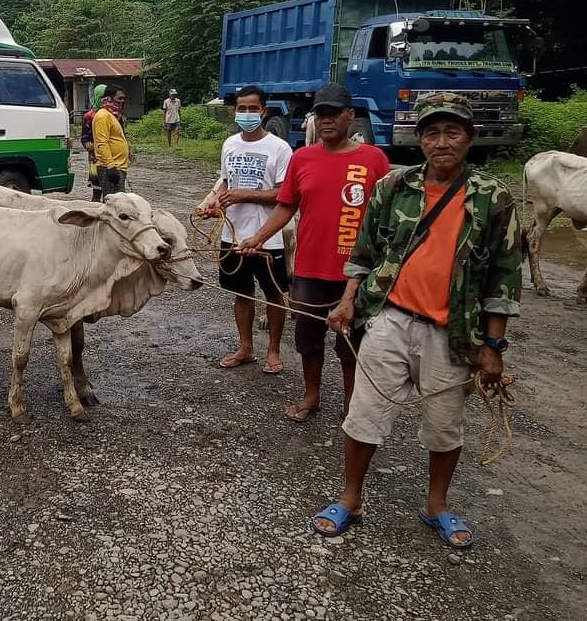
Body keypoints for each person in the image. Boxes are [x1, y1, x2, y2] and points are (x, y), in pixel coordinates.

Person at [314, 92, 521, 548]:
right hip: (389, 320)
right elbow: (364, 254)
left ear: (469, 138)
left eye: (452, 133)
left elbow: (504, 278)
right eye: (432, 133)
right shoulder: (392, 187)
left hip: (454, 333)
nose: (441, 142)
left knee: (444, 426)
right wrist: (348, 300)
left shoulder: (494, 198)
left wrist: (493, 347)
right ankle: (350, 499)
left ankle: (437, 506)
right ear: (420, 140)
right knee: (363, 415)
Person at [239, 83, 390, 421]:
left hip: (356, 272)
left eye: (334, 113)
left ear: (349, 116)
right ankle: (311, 395)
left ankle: (352, 404)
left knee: (352, 345)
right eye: (320, 113)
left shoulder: (373, 160)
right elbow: (285, 205)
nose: (326, 120)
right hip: (308, 268)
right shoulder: (303, 158)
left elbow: (387, 215)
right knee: (308, 340)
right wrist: (258, 237)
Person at [197, 85, 292, 374]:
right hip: (233, 235)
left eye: (253, 108)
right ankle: (246, 347)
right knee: (242, 293)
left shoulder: (279, 148)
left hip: (268, 237)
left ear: (264, 111)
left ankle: (273, 351)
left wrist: (242, 195)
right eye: (242, 108)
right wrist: (216, 204)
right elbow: (225, 183)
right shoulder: (230, 144)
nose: (247, 113)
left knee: (273, 295)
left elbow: (283, 195)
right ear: (235, 111)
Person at [93, 85, 129, 197]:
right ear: (108, 98)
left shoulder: (112, 116)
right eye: (119, 98)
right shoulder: (103, 116)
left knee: (119, 203)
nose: (122, 101)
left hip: (118, 166)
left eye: (123, 99)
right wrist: (110, 166)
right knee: (114, 205)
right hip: (110, 167)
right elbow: (101, 142)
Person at [81, 83, 108, 202]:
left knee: (110, 194)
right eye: (101, 96)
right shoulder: (89, 116)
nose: (104, 100)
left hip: (111, 156)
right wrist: (87, 144)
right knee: (97, 191)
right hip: (95, 157)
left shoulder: (113, 114)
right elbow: (84, 137)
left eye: (106, 96)